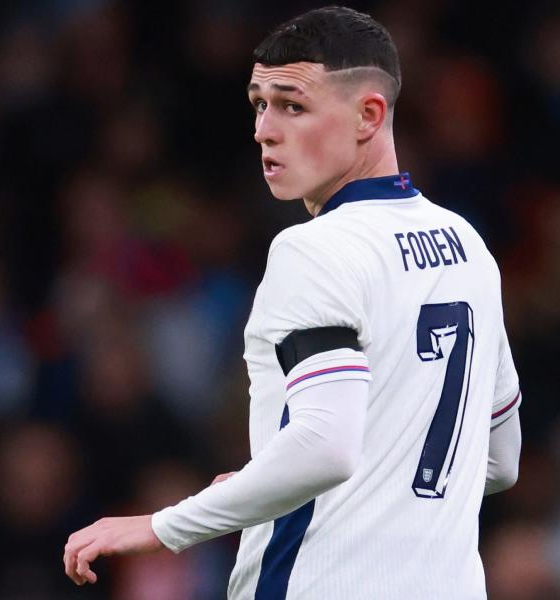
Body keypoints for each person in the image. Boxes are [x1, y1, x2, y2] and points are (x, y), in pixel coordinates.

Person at [63, 6, 522, 599]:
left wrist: (163, 525)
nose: (264, 129)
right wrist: (274, 485)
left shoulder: (314, 250)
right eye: (259, 104)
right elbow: (499, 457)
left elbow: (324, 449)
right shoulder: (467, 246)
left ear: (369, 115)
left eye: (293, 105)